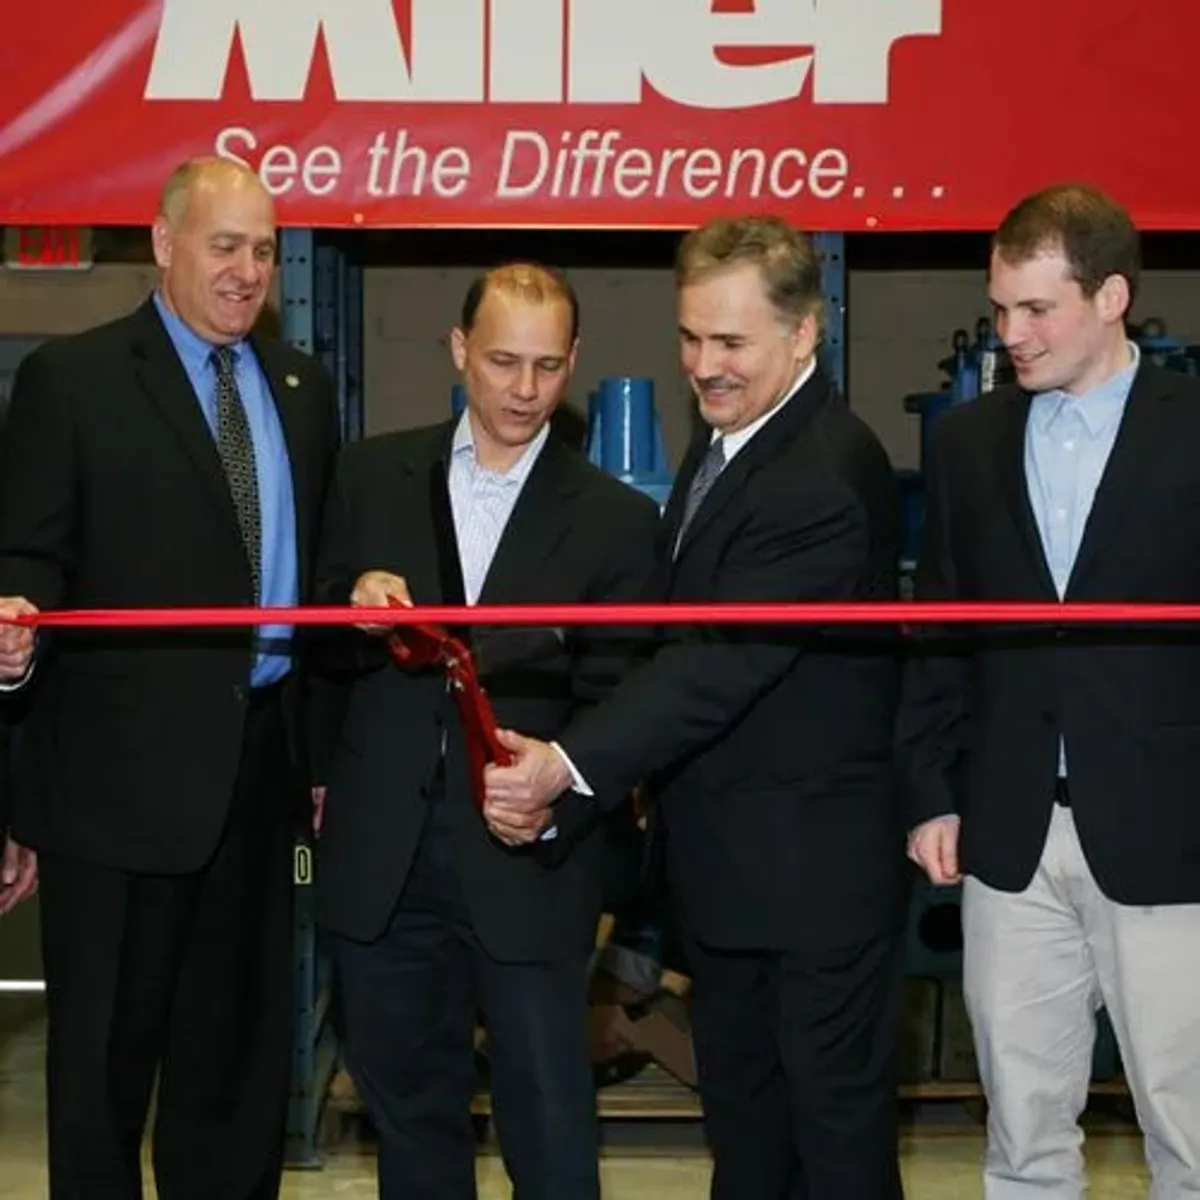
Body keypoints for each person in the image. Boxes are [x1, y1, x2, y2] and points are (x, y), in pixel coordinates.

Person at [483, 217, 910, 1200]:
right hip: (736, 871)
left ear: (806, 333)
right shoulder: (731, 446)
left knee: (832, 1142)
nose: (704, 365)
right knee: (752, 1132)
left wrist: (571, 766)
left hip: (812, 884)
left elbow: (716, 662)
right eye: (690, 338)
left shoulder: (820, 477)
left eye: (731, 343)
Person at [0, 157, 340, 1199]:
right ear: (162, 243)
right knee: (103, 1074)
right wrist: (11, 624)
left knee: (236, 1070)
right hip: (112, 792)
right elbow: (27, 557)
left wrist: (318, 757)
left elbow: (318, 578)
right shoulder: (75, 380)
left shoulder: (303, 389)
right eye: (223, 244)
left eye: (264, 249)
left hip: (261, 775)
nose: (247, 271)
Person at [308, 262, 661, 1200]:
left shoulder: (620, 522)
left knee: (549, 1125)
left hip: (528, 857)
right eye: (503, 361)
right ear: (459, 350)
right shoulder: (371, 473)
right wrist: (351, 613)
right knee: (409, 1119)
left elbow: (623, 698)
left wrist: (559, 791)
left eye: (548, 366)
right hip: (384, 857)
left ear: (575, 362)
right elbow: (317, 655)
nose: (525, 390)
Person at [896, 182, 1200, 1199]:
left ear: (1112, 296)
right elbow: (940, 628)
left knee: (1187, 1123)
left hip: (1170, 831)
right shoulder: (970, 442)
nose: (1011, 334)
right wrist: (934, 791)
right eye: (1000, 309)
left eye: (1037, 309)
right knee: (1022, 1131)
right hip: (1009, 831)